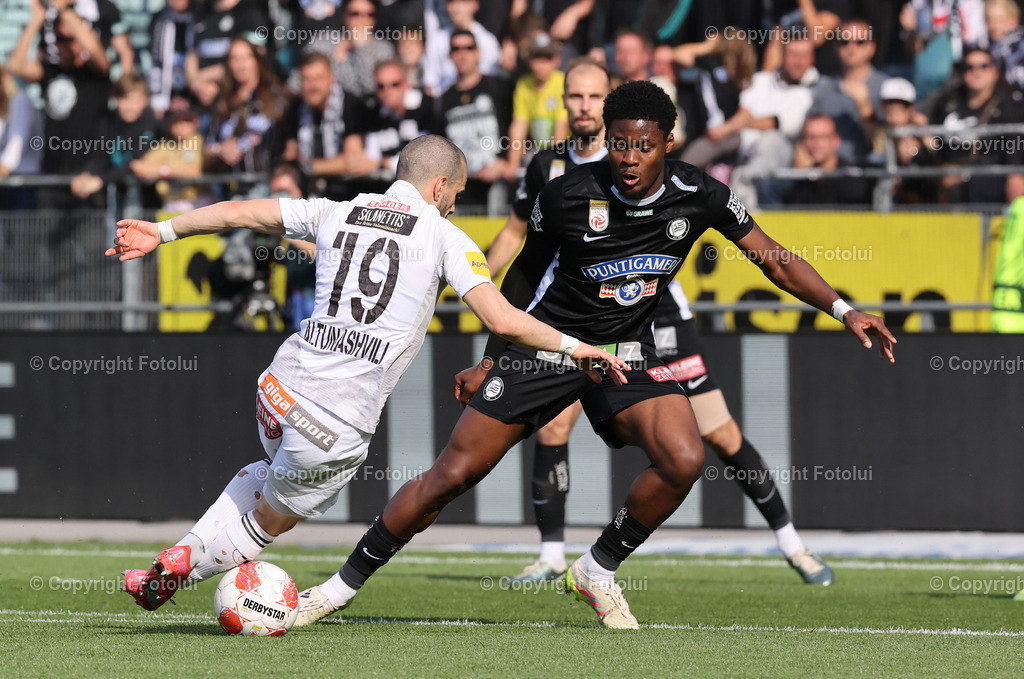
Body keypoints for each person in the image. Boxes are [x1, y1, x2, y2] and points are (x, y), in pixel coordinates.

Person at [293, 80, 896, 630]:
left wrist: (843, 309)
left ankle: (598, 567)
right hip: (549, 348)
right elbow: (523, 281)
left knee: (684, 458)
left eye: (643, 146)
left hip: (624, 353)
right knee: (452, 475)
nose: (629, 159)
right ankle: (339, 587)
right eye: (618, 146)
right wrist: (490, 359)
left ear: (669, 141)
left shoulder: (700, 194)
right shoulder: (565, 195)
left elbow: (774, 258)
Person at [110, 134, 627, 611]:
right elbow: (502, 319)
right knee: (270, 520)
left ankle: (182, 551)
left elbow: (243, 211)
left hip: (278, 386)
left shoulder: (335, 210)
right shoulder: (448, 238)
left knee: (263, 478)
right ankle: (176, 574)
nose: (455, 204)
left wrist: (161, 230)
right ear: (439, 185)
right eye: (458, 193)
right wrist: (579, 347)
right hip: (335, 422)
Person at [489, 60, 838, 587]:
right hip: (576, 325)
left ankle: (792, 542)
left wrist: (842, 308)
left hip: (658, 319)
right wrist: (476, 288)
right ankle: (553, 555)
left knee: (716, 433)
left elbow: (770, 256)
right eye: (573, 96)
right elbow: (517, 242)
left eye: (591, 95)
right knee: (554, 428)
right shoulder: (548, 170)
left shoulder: (676, 178)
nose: (582, 105)